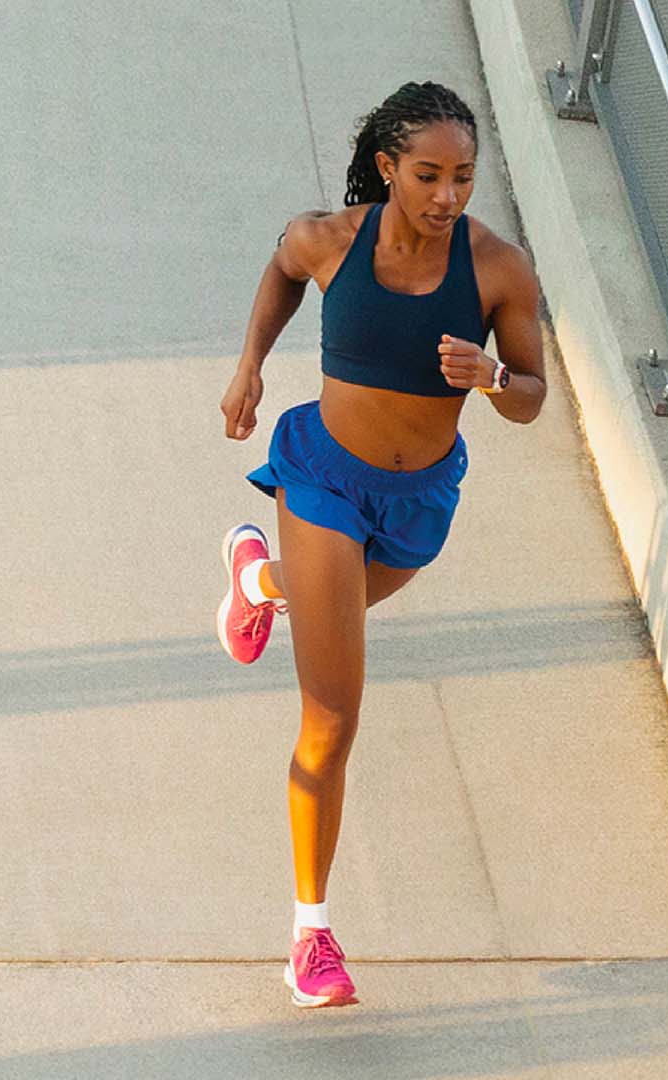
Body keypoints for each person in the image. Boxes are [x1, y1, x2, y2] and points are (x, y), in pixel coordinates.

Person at [214, 81, 546, 1008]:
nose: (448, 195)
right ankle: (310, 937)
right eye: (429, 175)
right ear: (389, 167)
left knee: (331, 614)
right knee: (332, 715)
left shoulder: (499, 271)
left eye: (464, 177)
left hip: (418, 503)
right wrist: (249, 367)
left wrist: (492, 377)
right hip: (325, 478)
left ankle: (258, 580)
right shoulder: (331, 239)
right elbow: (282, 268)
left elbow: (532, 397)